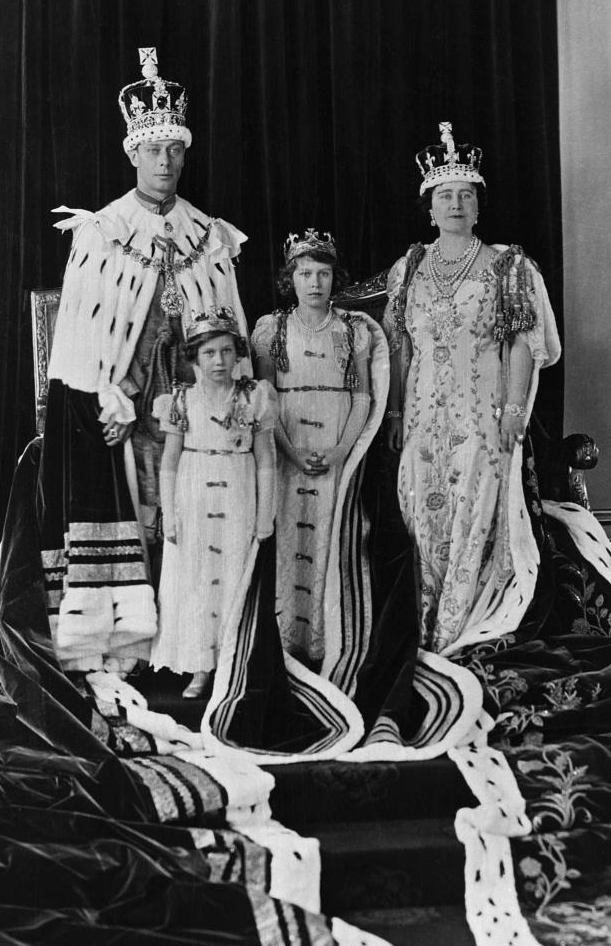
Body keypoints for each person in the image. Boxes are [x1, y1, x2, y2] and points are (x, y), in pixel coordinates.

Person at [40, 48, 251, 676]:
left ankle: (195, 644)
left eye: (175, 151)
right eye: (154, 151)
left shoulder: (208, 234)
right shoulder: (101, 233)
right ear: (133, 153)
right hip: (124, 404)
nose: (165, 162)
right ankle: (129, 640)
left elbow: (229, 331)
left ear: (184, 154)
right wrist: (108, 400)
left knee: (190, 515)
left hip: (194, 399)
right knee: (142, 514)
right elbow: (78, 342)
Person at [383, 121, 560, 653]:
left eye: (464, 195)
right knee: (419, 507)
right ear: (429, 206)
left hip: (481, 415)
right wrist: (394, 415)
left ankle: (461, 631)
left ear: (478, 206)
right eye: (444, 196)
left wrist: (512, 410)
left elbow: (523, 344)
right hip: (420, 417)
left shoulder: (508, 266)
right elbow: (398, 348)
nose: (455, 204)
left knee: (473, 507)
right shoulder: (409, 267)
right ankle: (421, 625)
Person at [252, 230, 372, 664]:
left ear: (333, 278)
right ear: (292, 278)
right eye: (305, 274)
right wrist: (289, 451)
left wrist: (341, 450)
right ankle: (287, 638)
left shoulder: (353, 330)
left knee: (331, 535)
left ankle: (327, 640)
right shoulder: (273, 329)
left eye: (323, 274)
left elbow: (362, 397)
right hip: (289, 446)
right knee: (289, 533)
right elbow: (265, 399)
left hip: (336, 442)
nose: (315, 283)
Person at [151, 308, 277, 697]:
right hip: (193, 493)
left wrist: (265, 517)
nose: (219, 361)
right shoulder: (181, 400)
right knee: (196, 580)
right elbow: (169, 463)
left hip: (238, 494)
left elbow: (267, 461)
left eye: (226, 352)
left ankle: (230, 662)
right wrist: (169, 516)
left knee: (233, 578)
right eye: (209, 353)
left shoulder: (254, 396)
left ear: (238, 354)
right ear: (194, 358)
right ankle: (199, 667)